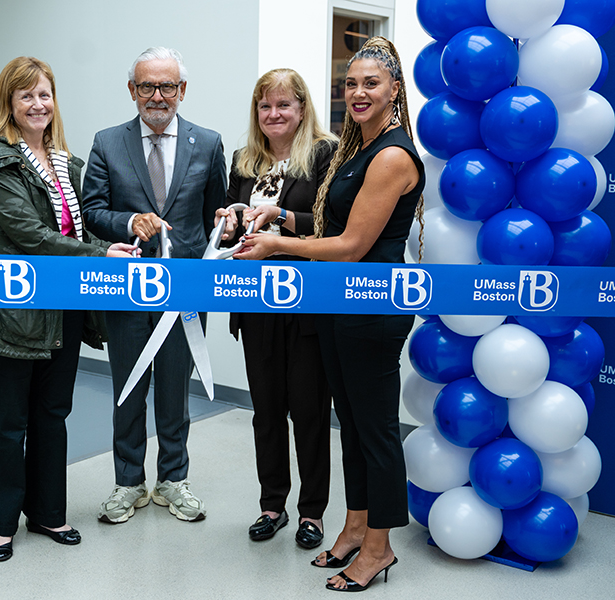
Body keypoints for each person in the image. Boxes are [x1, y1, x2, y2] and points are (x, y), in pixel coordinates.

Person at [235, 37, 425, 592]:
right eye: (351, 83)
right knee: (355, 430)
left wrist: (274, 244)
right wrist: (281, 218)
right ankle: (355, 527)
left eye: (372, 83)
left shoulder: (391, 155)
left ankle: (380, 548)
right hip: (341, 307)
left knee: (376, 432)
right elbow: (325, 226)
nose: (360, 92)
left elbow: (349, 245)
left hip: (371, 309)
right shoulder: (355, 148)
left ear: (394, 90)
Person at [0, 56, 136, 562]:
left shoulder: (67, 162)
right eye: (26, 96)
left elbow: (89, 224)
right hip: (11, 312)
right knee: (10, 421)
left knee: (53, 414)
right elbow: (29, 235)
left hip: (64, 312)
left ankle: (47, 513)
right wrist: (102, 254)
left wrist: (129, 231)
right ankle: (2, 524)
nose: (38, 104)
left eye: (45, 94)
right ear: (9, 105)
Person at [82, 47, 227, 523]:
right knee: (127, 390)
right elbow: (92, 212)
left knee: (172, 391)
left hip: (184, 295)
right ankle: (128, 484)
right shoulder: (107, 142)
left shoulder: (207, 143)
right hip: (126, 293)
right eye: (147, 86)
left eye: (168, 86)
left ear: (182, 91)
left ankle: (172, 480)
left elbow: (214, 218)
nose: (158, 96)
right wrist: (129, 222)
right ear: (132, 91)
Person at [214, 69, 337, 548]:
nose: (274, 114)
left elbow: (332, 224)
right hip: (254, 303)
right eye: (265, 106)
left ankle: (313, 514)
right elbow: (228, 218)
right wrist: (228, 222)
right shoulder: (245, 159)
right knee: (265, 412)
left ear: (302, 109)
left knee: (308, 411)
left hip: (305, 303)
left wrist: (278, 224)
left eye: (283, 105)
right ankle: (272, 505)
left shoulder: (325, 154)